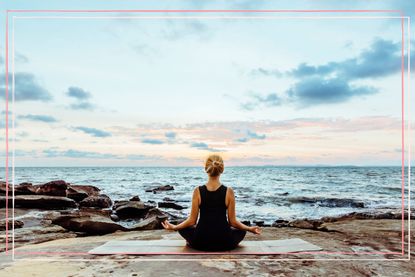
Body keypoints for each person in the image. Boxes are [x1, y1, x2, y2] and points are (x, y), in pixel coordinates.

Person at [161, 154, 261, 251]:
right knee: (242, 230)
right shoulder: (229, 191)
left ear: (206, 169)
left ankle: (190, 241)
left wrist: (174, 227)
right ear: (222, 169)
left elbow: (192, 221)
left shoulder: (198, 191)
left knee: (183, 226)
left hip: (200, 242)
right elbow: (233, 222)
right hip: (225, 242)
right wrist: (250, 228)